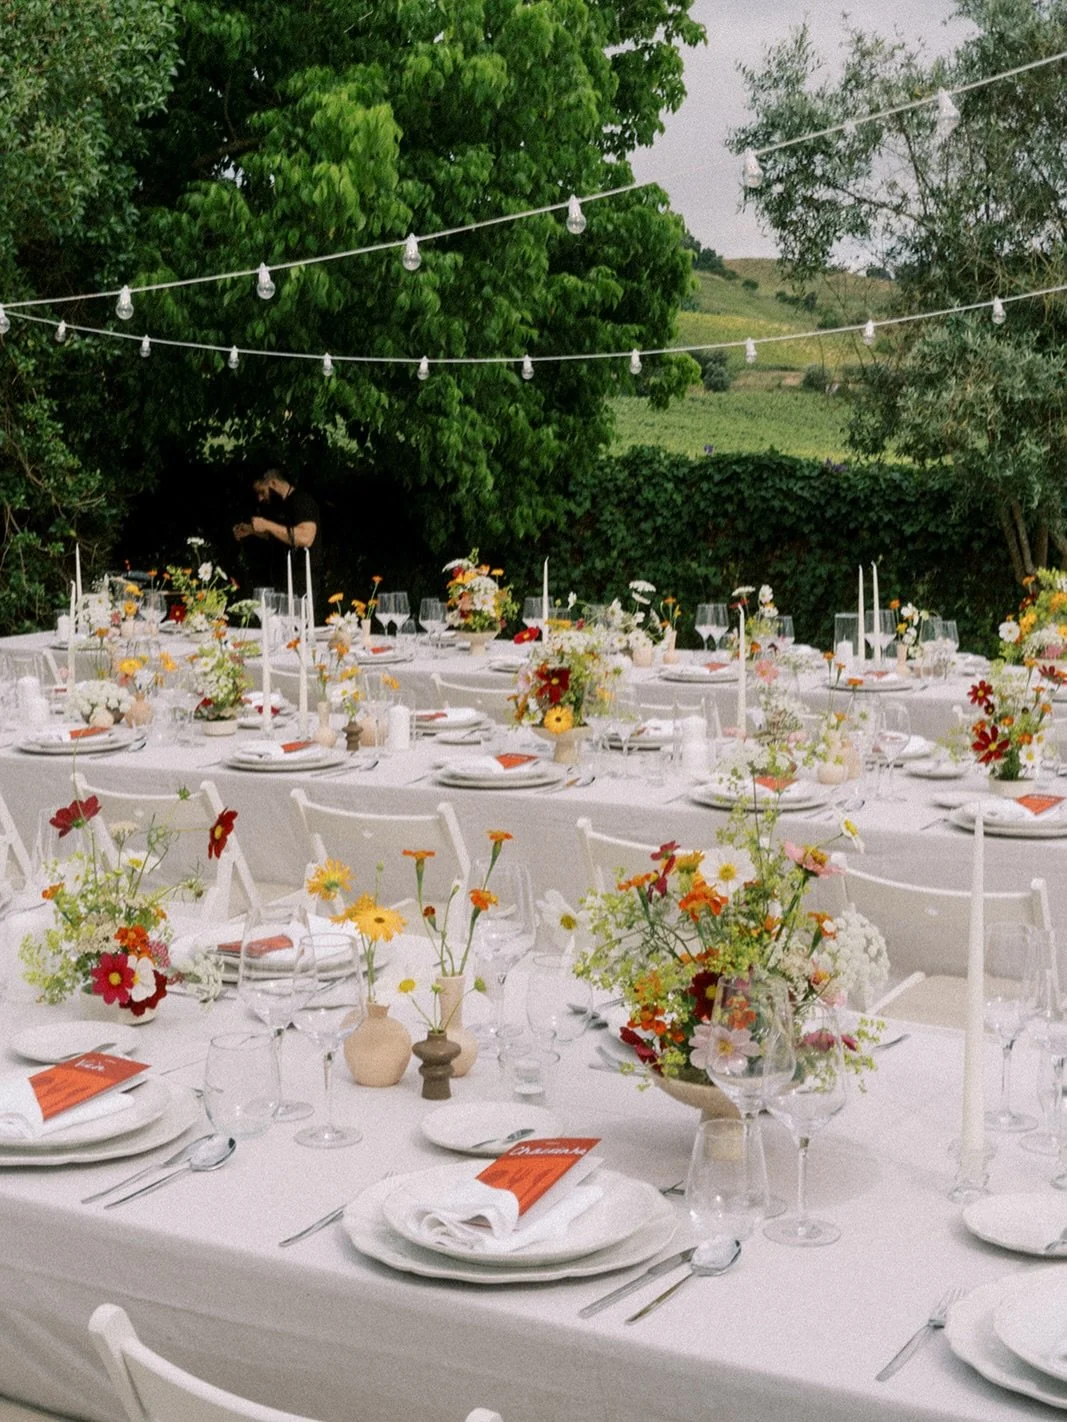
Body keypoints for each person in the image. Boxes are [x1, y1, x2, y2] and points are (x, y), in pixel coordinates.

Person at [233, 466, 322, 610]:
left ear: (273, 483)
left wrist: (267, 525)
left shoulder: (302, 501)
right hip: (281, 583)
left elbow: (305, 538)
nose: (260, 498)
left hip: (301, 586)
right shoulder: (279, 506)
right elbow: (280, 534)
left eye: (262, 492)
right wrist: (251, 530)